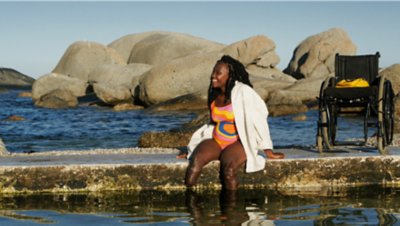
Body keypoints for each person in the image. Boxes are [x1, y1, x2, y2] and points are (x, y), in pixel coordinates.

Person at [182, 55, 284, 190]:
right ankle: (192, 207)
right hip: (217, 141)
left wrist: (267, 149)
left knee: (228, 170)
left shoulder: (243, 92)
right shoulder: (214, 94)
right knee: (194, 164)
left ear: (230, 76)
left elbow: (259, 119)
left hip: (238, 143)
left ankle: (231, 209)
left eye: (218, 73)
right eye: (213, 72)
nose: (213, 76)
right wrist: (192, 150)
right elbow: (213, 123)